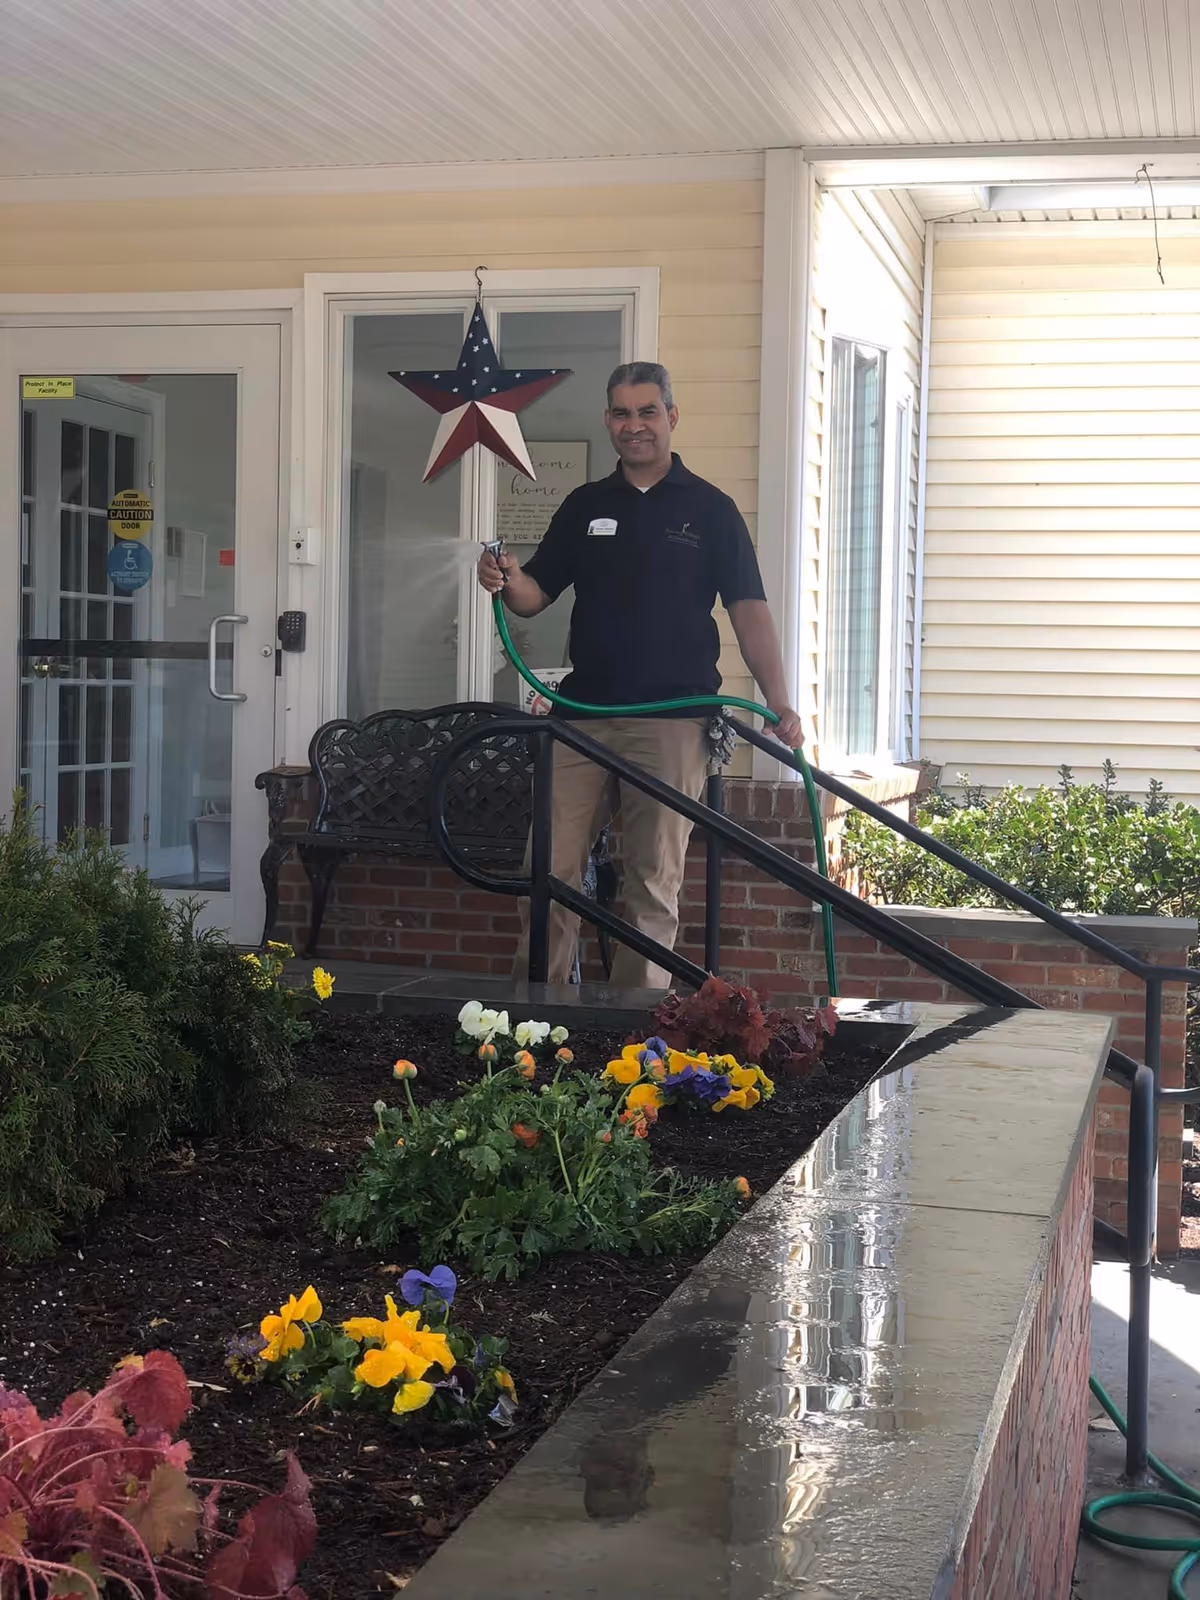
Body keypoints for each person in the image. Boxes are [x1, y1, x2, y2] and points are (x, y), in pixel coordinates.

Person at [477, 360, 803, 988]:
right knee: (545, 871)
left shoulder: (711, 510)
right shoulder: (585, 505)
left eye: (647, 412)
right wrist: (504, 577)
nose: (635, 426)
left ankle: (633, 1042)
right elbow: (534, 594)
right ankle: (537, 1026)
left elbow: (749, 612)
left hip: (672, 721)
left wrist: (781, 701)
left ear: (671, 417)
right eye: (622, 413)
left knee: (653, 884)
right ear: (608, 422)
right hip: (583, 718)